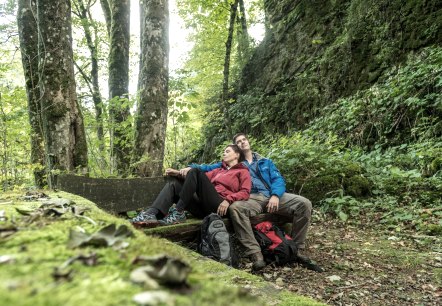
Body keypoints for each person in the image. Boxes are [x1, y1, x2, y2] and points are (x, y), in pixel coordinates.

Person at [183, 133, 312, 271]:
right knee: (236, 208)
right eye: (238, 142)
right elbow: (207, 168)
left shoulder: (265, 161)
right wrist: (190, 168)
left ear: (248, 142)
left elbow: (278, 180)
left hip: (272, 195)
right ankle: (255, 254)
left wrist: (275, 195)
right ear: (236, 149)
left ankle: (297, 249)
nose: (243, 142)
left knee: (304, 203)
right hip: (251, 198)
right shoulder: (234, 164)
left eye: (244, 139)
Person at [131, 144, 251, 226]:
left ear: (236, 155)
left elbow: (245, 192)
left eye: (227, 151)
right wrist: (178, 173)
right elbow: (196, 180)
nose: (224, 154)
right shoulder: (218, 170)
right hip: (202, 208)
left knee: (195, 170)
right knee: (173, 183)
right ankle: (151, 214)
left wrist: (228, 200)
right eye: (224, 151)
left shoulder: (242, 171)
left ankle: (178, 212)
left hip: (219, 207)